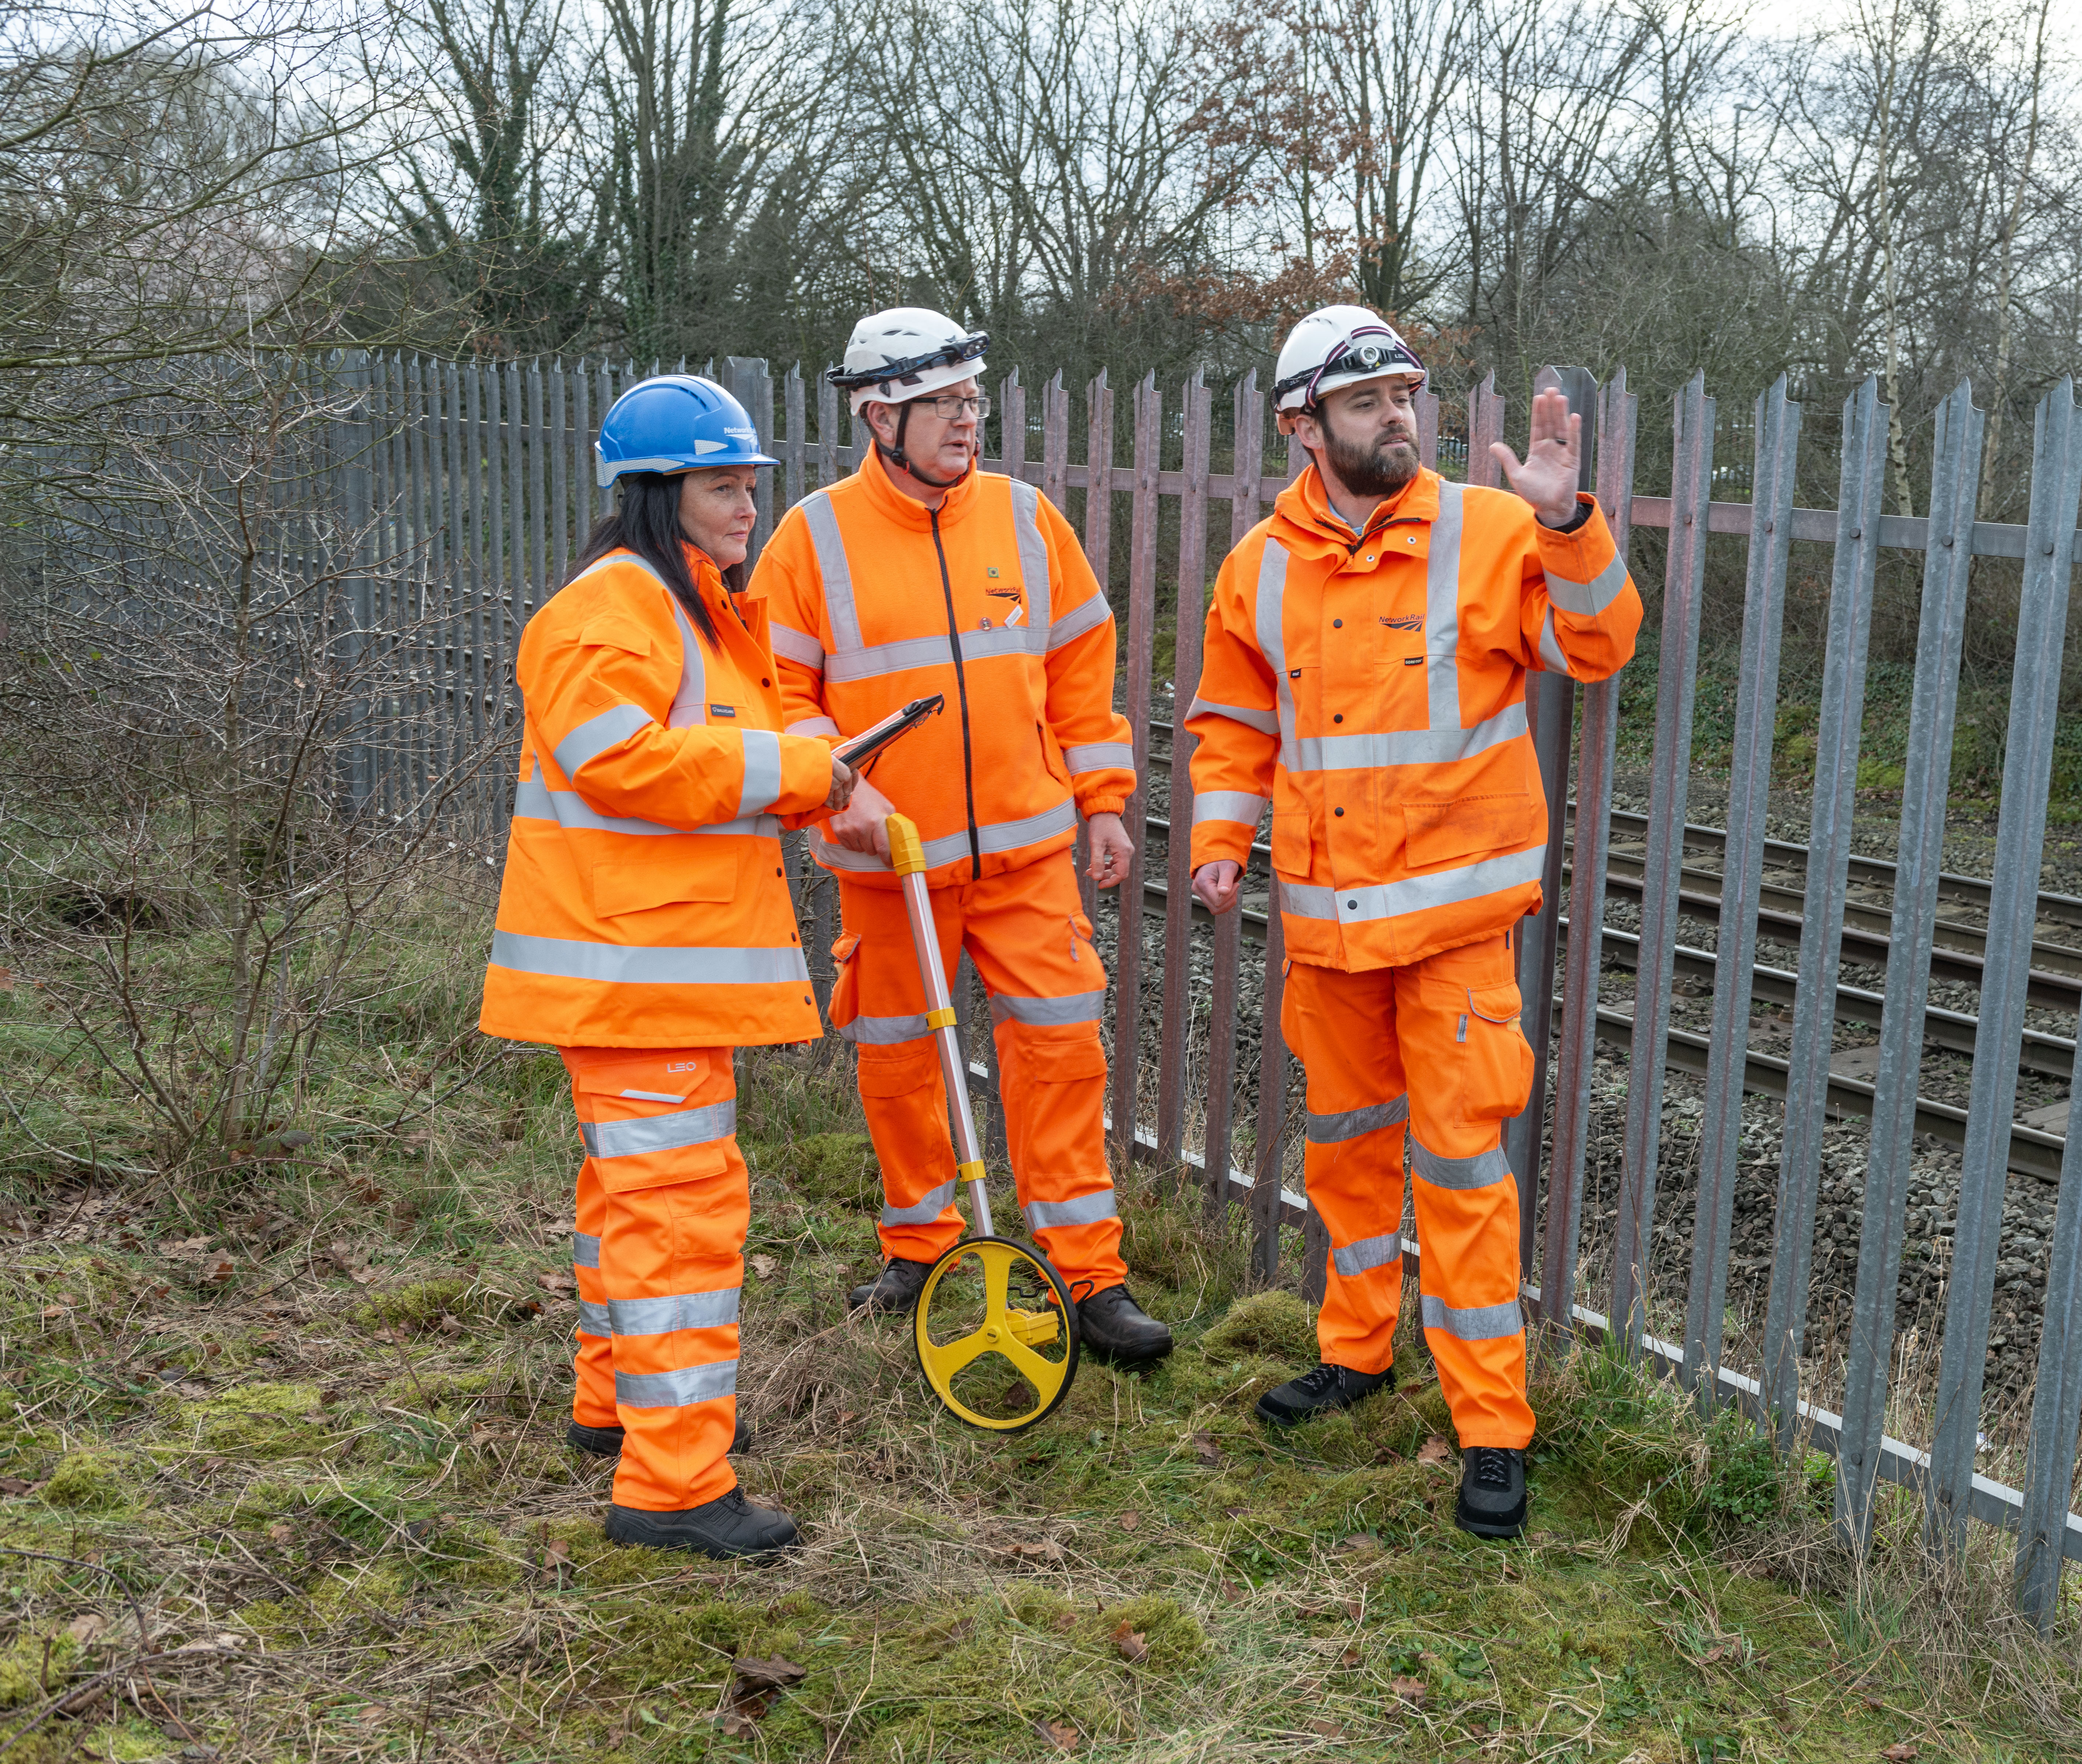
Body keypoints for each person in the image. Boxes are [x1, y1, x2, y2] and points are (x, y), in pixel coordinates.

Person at [1185, 305, 1642, 1538]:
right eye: (1367, 401)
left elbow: (1598, 647)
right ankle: (1356, 1355)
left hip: (1451, 936)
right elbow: (1234, 722)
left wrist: (1564, 520)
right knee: (1342, 1161)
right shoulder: (1259, 566)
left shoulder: (1491, 532)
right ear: (1303, 427)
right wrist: (1221, 843)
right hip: (1326, 934)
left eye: (1406, 395)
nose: (1397, 416)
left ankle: (1491, 1429)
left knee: (1459, 1181)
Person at [480, 374, 854, 1559]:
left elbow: (710, 754)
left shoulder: (684, 608)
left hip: (654, 972)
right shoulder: (613, 613)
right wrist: (792, 771)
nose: (747, 509)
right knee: (679, 1225)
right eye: (721, 486)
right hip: (642, 979)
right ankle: (675, 1484)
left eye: (749, 485)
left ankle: (615, 1410)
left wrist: (809, 759)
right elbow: (622, 763)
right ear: (654, 493)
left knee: (624, 1208)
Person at [754, 308, 1172, 1365]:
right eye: (940, 403)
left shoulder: (1029, 523)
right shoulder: (811, 537)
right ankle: (923, 1249)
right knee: (898, 1063)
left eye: (971, 400)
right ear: (877, 413)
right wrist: (835, 782)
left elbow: (1082, 675)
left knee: (1061, 1058)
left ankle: (1086, 1277)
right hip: (889, 869)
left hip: (1029, 865)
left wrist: (1105, 799)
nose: (964, 421)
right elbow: (776, 693)